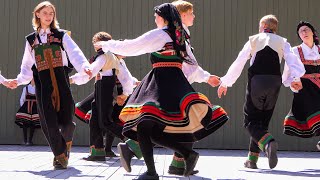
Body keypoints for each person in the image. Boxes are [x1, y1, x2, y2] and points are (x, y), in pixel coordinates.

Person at [95, 3, 229, 179]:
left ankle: (151, 171)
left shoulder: (161, 34)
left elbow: (133, 46)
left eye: (156, 16)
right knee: (151, 129)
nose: (155, 19)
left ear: (164, 17)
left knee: (144, 125)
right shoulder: (180, 36)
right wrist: (206, 77)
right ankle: (186, 154)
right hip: (176, 83)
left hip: (160, 83)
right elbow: (192, 65)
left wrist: (106, 44)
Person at [7, 1, 92, 169]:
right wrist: (18, 81)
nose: (48, 16)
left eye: (51, 13)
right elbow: (26, 66)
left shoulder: (61, 35)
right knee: (48, 121)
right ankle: (60, 155)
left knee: (67, 121)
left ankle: (65, 142)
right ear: (37, 14)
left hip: (61, 80)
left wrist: (84, 67)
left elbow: (75, 53)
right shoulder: (31, 40)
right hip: (42, 82)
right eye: (45, 13)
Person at [217, 15, 305, 169]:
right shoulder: (282, 41)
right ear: (275, 28)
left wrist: (225, 82)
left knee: (250, 122)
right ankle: (252, 159)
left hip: (257, 81)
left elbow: (239, 61)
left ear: (263, 25)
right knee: (262, 121)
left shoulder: (254, 39)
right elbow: (293, 61)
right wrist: (295, 79)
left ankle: (268, 142)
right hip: (274, 83)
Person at [70, 31, 137, 161]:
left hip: (104, 88)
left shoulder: (104, 56)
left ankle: (134, 141)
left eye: (97, 43)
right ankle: (97, 151)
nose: (96, 46)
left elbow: (92, 71)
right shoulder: (112, 57)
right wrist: (125, 93)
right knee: (94, 121)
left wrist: (72, 79)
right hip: (101, 88)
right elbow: (126, 77)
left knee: (105, 122)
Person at [282, 21, 320, 150]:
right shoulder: (294, 51)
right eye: (301, 31)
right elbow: (286, 77)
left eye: (306, 29)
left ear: (313, 32)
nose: (304, 32)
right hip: (306, 90)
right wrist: (293, 84)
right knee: (316, 111)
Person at [15, 79, 40, 146]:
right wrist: (23, 107)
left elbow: (39, 99)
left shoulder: (38, 88)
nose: (33, 80)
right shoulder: (25, 88)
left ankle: (30, 141)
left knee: (33, 124)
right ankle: (25, 140)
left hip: (35, 107)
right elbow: (22, 99)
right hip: (26, 107)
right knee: (24, 124)